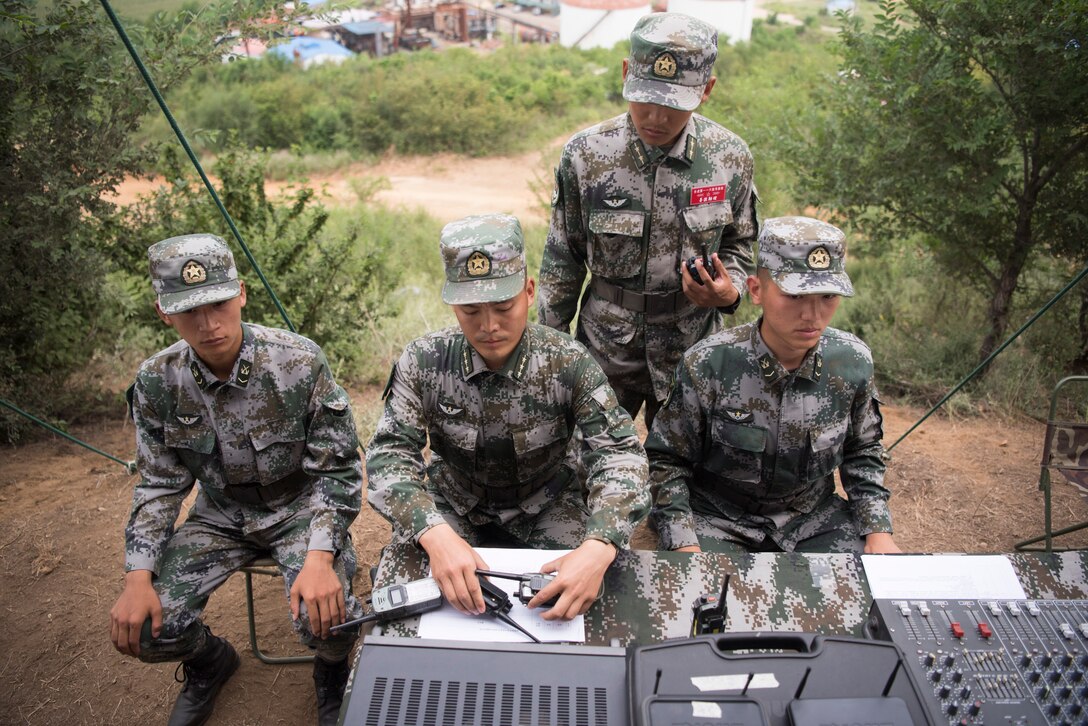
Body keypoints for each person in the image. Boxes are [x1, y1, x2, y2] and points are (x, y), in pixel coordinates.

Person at [108, 234, 364, 726]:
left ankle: (330, 673)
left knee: (328, 618)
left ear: (241, 292)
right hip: (221, 515)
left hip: (300, 509)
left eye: (219, 303)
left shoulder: (298, 361)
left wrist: (319, 555)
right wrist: (137, 575)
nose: (208, 325)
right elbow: (159, 485)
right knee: (144, 630)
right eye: (189, 312)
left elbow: (338, 469)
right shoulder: (158, 382)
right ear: (165, 313)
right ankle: (210, 662)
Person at [367, 213, 649, 621]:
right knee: (412, 601)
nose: (489, 326)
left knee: (583, 602)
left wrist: (600, 543)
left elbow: (620, 454)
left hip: (548, 503)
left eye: (503, 306)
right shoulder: (423, 361)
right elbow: (388, 456)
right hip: (455, 503)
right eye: (470, 311)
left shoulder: (567, 362)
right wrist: (432, 532)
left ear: (529, 291)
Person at [538, 12, 758, 430]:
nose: (655, 117)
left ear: (706, 90)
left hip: (691, 346)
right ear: (625, 74)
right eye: (645, 97)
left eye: (672, 104)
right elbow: (562, 260)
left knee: (681, 478)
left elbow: (741, 243)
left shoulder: (729, 158)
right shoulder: (586, 155)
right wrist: (550, 353)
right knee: (590, 466)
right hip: (604, 348)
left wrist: (729, 292)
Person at [646, 217, 902, 555]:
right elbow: (667, 462)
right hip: (718, 520)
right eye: (795, 295)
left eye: (827, 296)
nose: (812, 314)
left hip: (813, 519)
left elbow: (862, 451)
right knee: (707, 599)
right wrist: (683, 542)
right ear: (756, 290)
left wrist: (878, 531)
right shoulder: (710, 363)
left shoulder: (851, 361)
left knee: (862, 591)